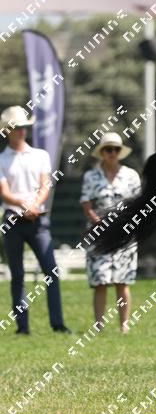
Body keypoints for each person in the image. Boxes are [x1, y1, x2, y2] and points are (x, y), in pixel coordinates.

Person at [0, 106, 70, 335]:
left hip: (38, 220)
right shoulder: (2, 159)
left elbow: (45, 186)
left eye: (24, 127)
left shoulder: (41, 155)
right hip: (13, 220)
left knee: (51, 271)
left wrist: (34, 205)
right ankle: (22, 327)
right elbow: (5, 193)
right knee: (17, 275)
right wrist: (23, 204)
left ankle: (57, 323)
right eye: (17, 127)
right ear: (8, 131)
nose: (22, 131)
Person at [79, 132, 141, 333]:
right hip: (99, 234)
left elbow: (137, 204)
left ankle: (124, 325)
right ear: (102, 152)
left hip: (124, 234)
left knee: (122, 281)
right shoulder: (91, 176)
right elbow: (87, 203)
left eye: (115, 149)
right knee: (100, 281)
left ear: (120, 152)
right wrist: (98, 221)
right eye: (108, 149)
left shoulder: (131, 175)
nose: (112, 153)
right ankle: (99, 325)